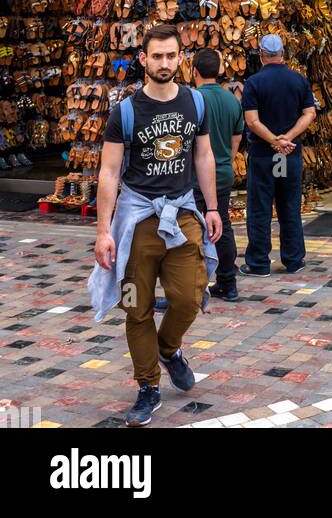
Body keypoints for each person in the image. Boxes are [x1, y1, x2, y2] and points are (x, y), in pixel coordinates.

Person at [91, 23, 221, 428]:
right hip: (138, 219)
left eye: (171, 55)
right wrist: (103, 230)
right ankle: (147, 386)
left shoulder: (195, 103)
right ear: (143, 59)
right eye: (157, 56)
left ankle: (168, 350)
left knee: (187, 298)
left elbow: (203, 157)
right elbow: (109, 173)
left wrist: (213, 207)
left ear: (180, 58)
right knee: (136, 307)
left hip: (182, 214)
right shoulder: (125, 112)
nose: (165, 62)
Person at [241, 32, 316, 276]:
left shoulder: (253, 83)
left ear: (261, 55)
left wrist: (274, 141)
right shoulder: (298, 80)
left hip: (265, 155)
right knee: (289, 206)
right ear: (283, 53)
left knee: (260, 208)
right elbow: (309, 114)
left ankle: (259, 263)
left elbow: (252, 122)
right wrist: (288, 138)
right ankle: (294, 260)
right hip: (288, 154)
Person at [192, 48, 244, 301]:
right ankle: (228, 282)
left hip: (193, 175)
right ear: (220, 71)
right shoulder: (232, 100)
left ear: (194, 71)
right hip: (222, 172)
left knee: (189, 228)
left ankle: (191, 286)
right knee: (221, 226)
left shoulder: (192, 99)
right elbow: (236, 141)